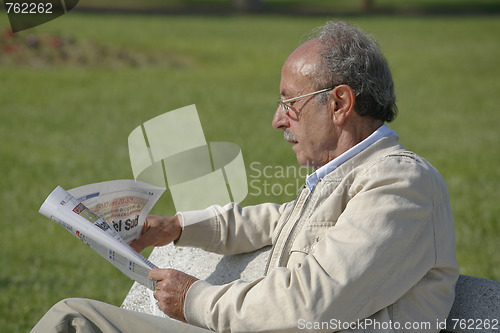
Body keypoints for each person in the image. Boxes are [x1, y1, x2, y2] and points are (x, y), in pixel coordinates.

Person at [31, 20, 459, 333]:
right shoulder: (351, 175)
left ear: (341, 103)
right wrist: (176, 227)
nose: (277, 120)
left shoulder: (402, 185)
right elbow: (278, 221)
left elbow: (313, 302)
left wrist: (194, 299)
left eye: (291, 103)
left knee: (75, 321)